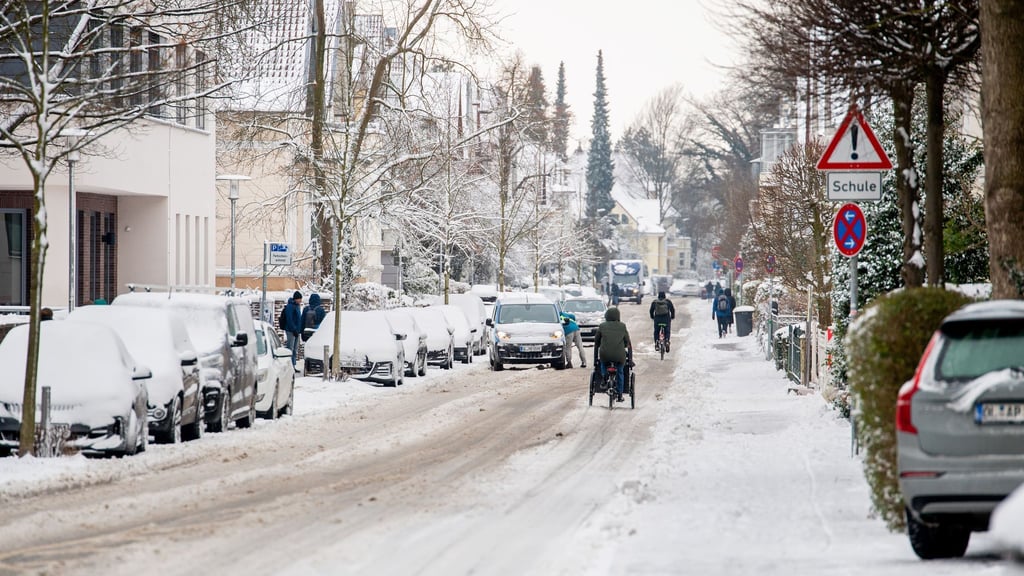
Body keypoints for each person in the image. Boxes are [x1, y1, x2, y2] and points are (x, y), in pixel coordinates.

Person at [593, 306, 632, 402]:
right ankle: (619, 394)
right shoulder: (622, 326)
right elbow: (628, 343)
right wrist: (630, 359)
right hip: (619, 356)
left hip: (605, 354)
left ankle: (604, 377)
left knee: (603, 362)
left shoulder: (602, 326)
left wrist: (595, 359)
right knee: (620, 371)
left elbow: (596, 342)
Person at [281, 291, 303, 370]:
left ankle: (293, 365)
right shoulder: (290, 306)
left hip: (296, 331)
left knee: (295, 349)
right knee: (290, 348)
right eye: (300, 299)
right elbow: (290, 319)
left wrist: (298, 330)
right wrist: (293, 329)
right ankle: (289, 366)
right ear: (296, 299)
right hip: (291, 331)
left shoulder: (297, 306)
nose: (301, 300)